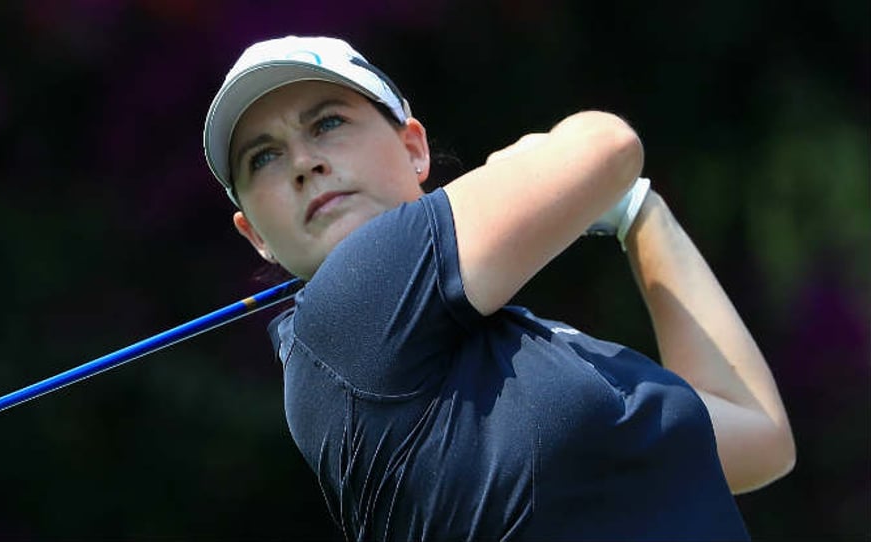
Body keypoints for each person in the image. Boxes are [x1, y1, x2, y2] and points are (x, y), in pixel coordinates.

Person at [201, 36, 795, 541]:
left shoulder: (541, 355)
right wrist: (536, 161)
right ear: (257, 236)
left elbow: (759, 436)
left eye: (327, 123)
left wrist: (638, 212)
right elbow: (609, 144)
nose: (303, 162)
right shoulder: (345, 309)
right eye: (264, 158)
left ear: (413, 147)